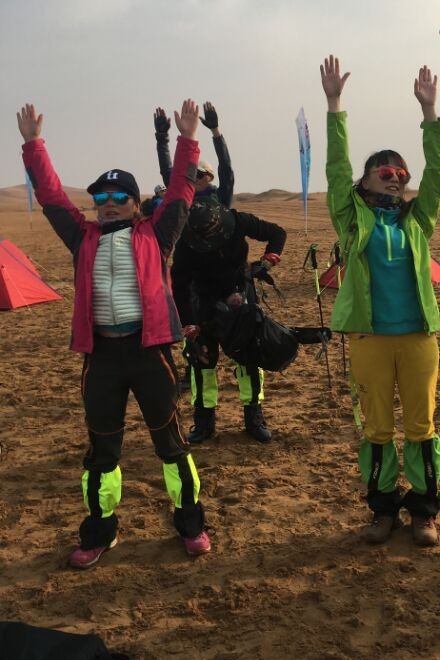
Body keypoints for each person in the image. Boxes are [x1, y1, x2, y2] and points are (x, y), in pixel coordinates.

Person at [17, 99, 211, 568]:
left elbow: (182, 191)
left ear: (135, 203)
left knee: (171, 446)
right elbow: (52, 198)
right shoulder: (81, 236)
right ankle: (100, 531)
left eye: (118, 197)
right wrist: (33, 145)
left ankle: (191, 523)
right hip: (101, 357)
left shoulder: (155, 235)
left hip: (149, 354)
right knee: (102, 451)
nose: (107, 205)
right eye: (100, 198)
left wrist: (187, 139)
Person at [322, 55, 440, 547]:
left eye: (400, 172)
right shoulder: (352, 220)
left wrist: (430, 114)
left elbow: (438, 173)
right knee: (376, 429)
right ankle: (382, 510)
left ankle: (424, 512)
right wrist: (335, 105)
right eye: (384, 171)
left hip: (418, 336)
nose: (395, 177)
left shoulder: (418, 221)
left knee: (421, 426)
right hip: (370, 337)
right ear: (367, 180)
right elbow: (336, 172)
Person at [170, 200, 286, 444]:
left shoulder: (239, 220)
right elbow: (179, 285)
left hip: (242, 299)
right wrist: (188, 323)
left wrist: (268, 260)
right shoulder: (186, 244)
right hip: (203, 305)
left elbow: (277, 233)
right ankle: (204, 423)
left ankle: (254, 419)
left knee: (250, 359)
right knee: (202, 362)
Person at [154, 101, 235, 207]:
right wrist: (162, 138)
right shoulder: (181, 197)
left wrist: (215, 130)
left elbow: (225, 167)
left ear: (210, 177)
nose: (196, 178)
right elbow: (167, 171)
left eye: (200, 174)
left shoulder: (220, 197)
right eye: (192, 174)